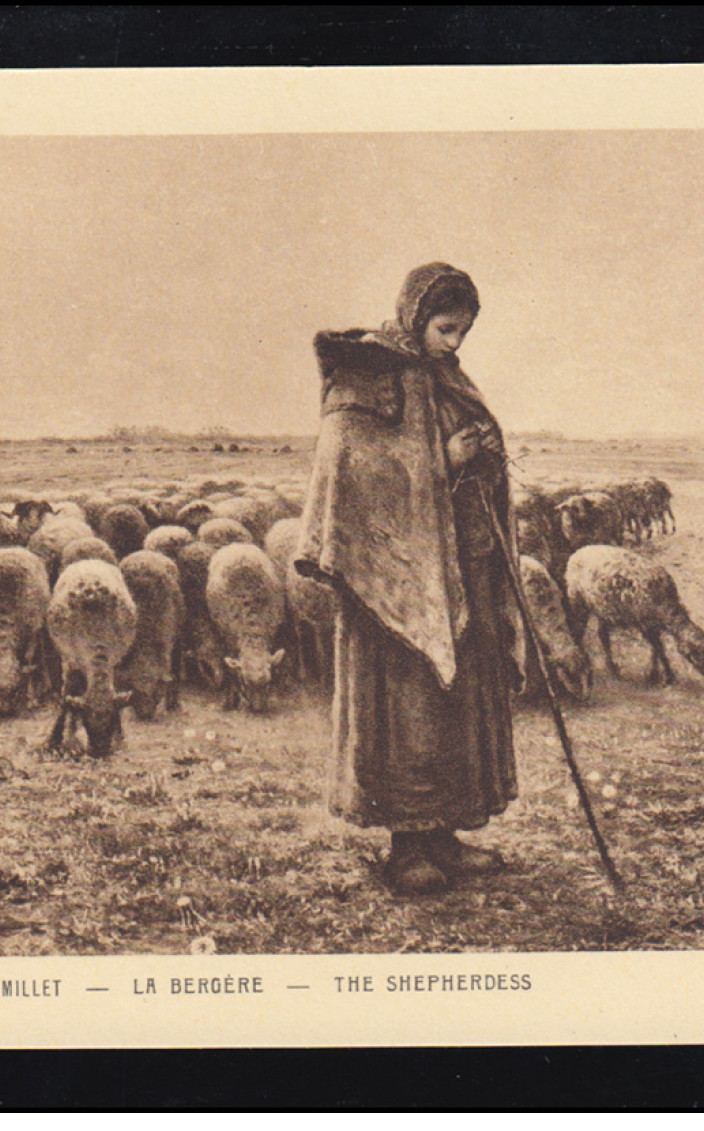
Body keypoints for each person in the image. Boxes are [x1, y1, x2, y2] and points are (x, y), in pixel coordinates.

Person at [294, 263, 526, 896]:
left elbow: (464, 465)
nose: (454, 343)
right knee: (410, 712)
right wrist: (441, 459)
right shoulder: (366, 371)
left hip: (458, 573)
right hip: (395, 586)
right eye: (446, 329)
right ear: (417, 316)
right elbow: (351, 471)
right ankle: (406, 844)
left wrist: (482, 459)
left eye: (463, 333)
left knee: (457, 707)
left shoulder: (447, 378)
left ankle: (445, 834)